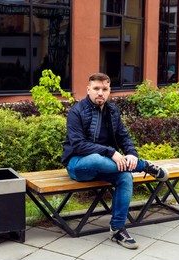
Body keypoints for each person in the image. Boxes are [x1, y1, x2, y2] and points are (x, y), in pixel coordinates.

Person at [62, 72, 169, 249]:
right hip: (78, 165)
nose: (100, 93)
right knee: (97, 158)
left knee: (125, 176)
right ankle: (145, 166)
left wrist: (132, 154)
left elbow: (123, 136)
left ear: (109, 90)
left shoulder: (112, 111)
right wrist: (111, 152)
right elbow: (79, 145)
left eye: (104, 89)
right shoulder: (76, 112)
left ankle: (117, 229)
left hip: (107, 167)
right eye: (96, 88)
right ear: (88, 89)